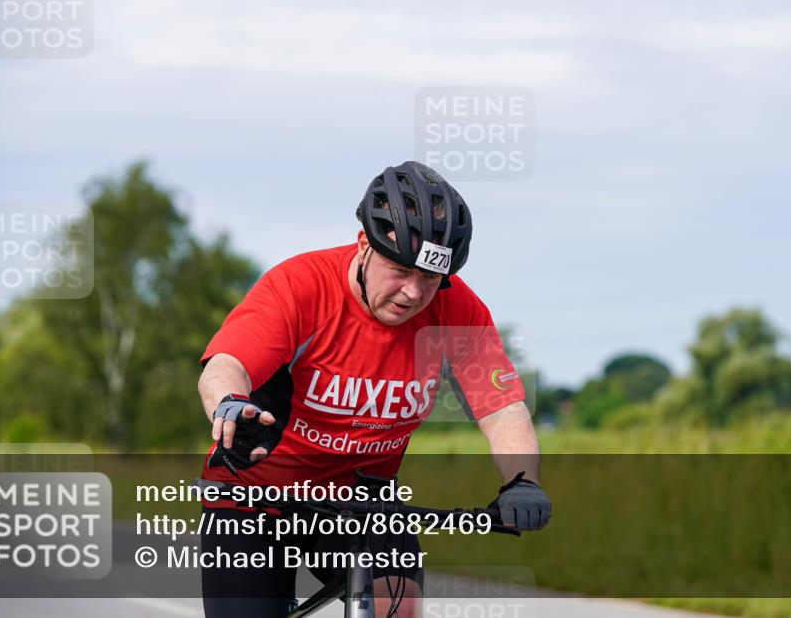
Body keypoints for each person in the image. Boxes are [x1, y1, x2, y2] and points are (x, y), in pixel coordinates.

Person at [197, 161, 552, 618]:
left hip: (362, 499)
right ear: (364, 243)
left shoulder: (455, 309)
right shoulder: (301, 286)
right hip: (255, 495)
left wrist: (522, 481)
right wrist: (230, 406)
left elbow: (502, 408)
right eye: (400, 270)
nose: (412, 293)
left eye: (430, 278)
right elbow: (226, 365)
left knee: (395, 602)